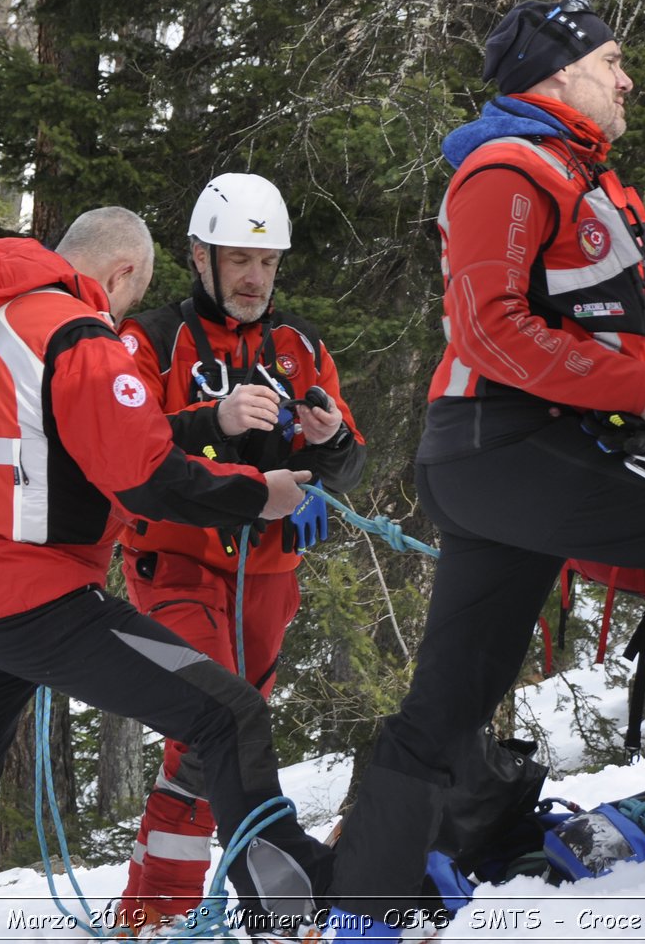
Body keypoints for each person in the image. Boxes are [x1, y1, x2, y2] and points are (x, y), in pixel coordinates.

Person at [324, 0, 645, 940]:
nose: (627, 79)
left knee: (449, 699)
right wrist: (638, 389)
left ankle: (362, 915)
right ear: (558, 72)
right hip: (509, 442)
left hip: (510, 457)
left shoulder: (588, 182)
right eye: (611, 61)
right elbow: (489, 326)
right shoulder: (507, 167)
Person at [0, 208, 333, 940]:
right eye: (126, 296)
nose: (119, 315)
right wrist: (260, 493)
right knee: (230, 711)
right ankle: (299, 909)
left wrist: (208, 423)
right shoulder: (73, 330)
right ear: (120, 274)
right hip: (41, 603)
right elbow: (145, 474)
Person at [115, 173, 366, 925]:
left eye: (268, 262)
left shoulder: (299, 347)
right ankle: (269, 899)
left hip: (268, 571)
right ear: (201, 257)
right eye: (239, 260)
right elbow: (126, 449)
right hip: (177, 562)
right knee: (213, 717)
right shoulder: (154, 339)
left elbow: (349, 461)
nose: (255, 278)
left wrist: (332, 445)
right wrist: (211, 418)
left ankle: (157, 911)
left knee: (214, 741)